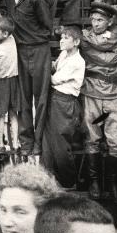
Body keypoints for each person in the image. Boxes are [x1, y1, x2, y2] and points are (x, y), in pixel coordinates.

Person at [0, 0, 52, 162]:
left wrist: (34, 39)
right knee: (22, 100)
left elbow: (47, 26)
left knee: (40, 100)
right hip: (19, 52)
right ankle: (26, 144)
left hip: (39, 50)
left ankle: (38, 144)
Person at [80, 0, 117, 201]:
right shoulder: (85, 37)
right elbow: (103, 58)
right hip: (92, 93)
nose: (96, 23)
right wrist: (116, 56)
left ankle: (112, 183)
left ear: (110, 21)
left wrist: (101, 56)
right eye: (93, 19)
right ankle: (94, 182)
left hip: (115, 94)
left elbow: (100, 55)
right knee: (92, 137)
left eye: (100, 20)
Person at [41, 26, 85, 188]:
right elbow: (54, 67)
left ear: (76, 42)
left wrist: (45, 71)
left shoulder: (77, 61)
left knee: (60, 143)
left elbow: (54, 79)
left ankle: (69, 180)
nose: (62, 40)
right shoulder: (64, 54)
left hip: (65, 102)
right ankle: (48, 179)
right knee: (47, 141)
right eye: (61, 38)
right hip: (55, 99)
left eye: (66, 38)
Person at [0, 16, 21, 160]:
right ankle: (15, 143)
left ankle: (1, 144)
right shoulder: (12, 39)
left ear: (4, 34)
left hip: (1, 83)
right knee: (13, 113)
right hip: (14, 81)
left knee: (0, 114)